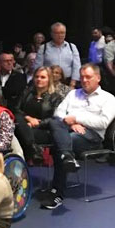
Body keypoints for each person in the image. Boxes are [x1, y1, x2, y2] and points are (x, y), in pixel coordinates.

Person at [40, 64, 115, 210]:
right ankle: (67, 156)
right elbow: (58, 113)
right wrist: (72, 124)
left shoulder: (109, 98)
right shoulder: (73, 94)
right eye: (82, 77)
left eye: (88, 77)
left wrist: (76, 119)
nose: (84, 80)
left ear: (98, 78)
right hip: (68, 130)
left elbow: (103, 123)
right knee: (56, 124)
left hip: (92, 137)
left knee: (60, 143)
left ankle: (57, 193)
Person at [15, 67, 62, 163]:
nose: (39, 79)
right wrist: (28, 118)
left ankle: (28, 155)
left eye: (43, 77)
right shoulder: (26, 93)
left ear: (49, 79)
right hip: (24, 125)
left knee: (19, 133)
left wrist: (37, 124)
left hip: (43, 129)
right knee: (17, 118)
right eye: (37, 77)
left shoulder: (56, 98)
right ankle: (33, 149)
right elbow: (16, 110)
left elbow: (54, 118)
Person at [35, 22, 81, 87]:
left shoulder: (72, 47)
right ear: (51, 34)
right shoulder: (43, 48)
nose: (60, 35)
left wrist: (73, 83)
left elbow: (77, 66)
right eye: (57, 33)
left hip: (68, 82)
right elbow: (38, 67)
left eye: (62, 33)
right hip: (49, 82)